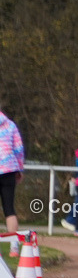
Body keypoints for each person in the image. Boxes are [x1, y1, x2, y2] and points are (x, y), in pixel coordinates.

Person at [0, 108, 25, 257]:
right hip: (9, 169)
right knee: (9, 209)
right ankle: (14, 247)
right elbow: (19, 149)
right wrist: (20, 169)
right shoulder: (10, 125)